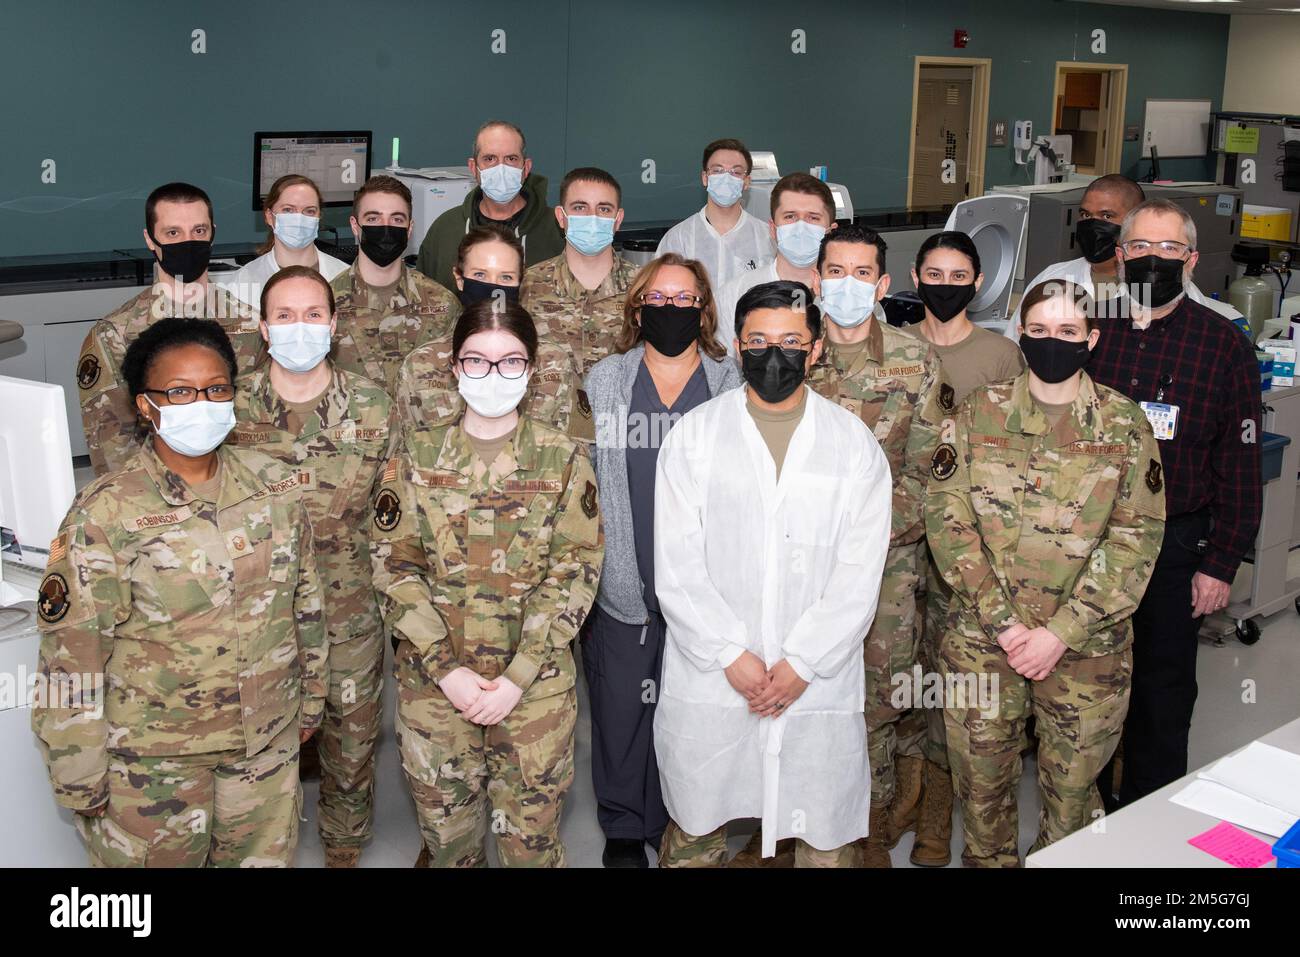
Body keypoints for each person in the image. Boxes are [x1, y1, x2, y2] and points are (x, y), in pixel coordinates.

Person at [32, 317, 326, 867]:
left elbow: (304, 602)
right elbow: (71, 656)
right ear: (146, 407)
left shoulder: (273, 486)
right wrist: (78, 772)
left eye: (216, 389)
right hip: (152, 762)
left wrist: (311, 700)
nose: (203, 403)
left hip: (262, 748)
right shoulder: (106, 512)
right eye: (181, 392)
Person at [926, 279, 1166, 866]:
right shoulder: (978, 412)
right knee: (980, 797)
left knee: (1073, 804)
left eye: (1067, 332)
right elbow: (947, 519)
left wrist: (1061, 632)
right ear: (1021, 335)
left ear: (1091, 338)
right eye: (1038, 331)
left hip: (1087, 653)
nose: (1052, 342)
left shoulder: (1122, 424)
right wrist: (1008, 626)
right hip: (984, 643)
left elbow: (1137, 537)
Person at [653, 280, 892, 868]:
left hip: (814, 677)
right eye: (758, 341)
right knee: (698, 821)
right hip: (715, 671)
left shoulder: (853, 445)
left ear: (815, 351)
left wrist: (803, 662)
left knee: (822, 825)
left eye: (791, 341)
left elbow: (860, 571)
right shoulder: (694, 437)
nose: (774, 355)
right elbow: (676, 564)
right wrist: (729, 653)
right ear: (737, 347)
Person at [370, 299, 604, 867]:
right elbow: (394, 567)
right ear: (454, 368)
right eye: (476, 361)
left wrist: (519, 676)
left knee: (532, 845)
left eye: (509, 362)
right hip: (436, 691)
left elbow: (575, 568)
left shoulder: (563, 459)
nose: (492, 376)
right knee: (449, 844)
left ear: (531, 368)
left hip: (535, 693)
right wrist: (447, 671)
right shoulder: (414, 457)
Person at [1089, 199, 1263, 807]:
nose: (1153, 259)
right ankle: (1083, 810)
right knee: (1085, 680)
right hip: (1085, 542)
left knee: (1162, 689)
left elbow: (1240, 467)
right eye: (1140, 247)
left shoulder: (1224, 345)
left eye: (1168, 249)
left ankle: (1146, 813)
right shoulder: (1089, 331)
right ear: (1119, 257)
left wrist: (1220, 565)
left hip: (1174, 544)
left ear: (1190, 260)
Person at [230, 267, 395, 868]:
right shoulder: (231, 407)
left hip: (349, 609)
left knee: (350, 745)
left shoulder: (374, 404)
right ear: (263, 328)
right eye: (284, 316)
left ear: (334, 322)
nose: (300, 328)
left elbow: (394, 514)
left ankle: (343, 851)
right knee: (259, 744)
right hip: (259, 617)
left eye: (312, 315)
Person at [583, 253, 742, 868]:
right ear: (637, 307)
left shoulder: (731, 382)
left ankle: (684, 819)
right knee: (622, 707)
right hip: (626, 576)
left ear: (703, 310)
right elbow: (588, 483)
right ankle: (625, 826)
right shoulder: (608, 381)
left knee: (693, 711)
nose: (670, 310)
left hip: (708, 582)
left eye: (684, 300)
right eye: (659, 298)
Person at [803, 224, 948, 868]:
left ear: (883, 286)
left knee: (877, 704)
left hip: (887, 566)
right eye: (836, 271)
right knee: (803, 699)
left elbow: (927, 476)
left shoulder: (916, 361)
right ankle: (800, 830)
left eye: (863, 274)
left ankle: (870, 832)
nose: (848, 285)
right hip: (801, 566)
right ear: (816, 279)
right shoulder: (793, 355)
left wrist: (859, 542)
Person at [900, 229, 1025, 864]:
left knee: (955, 686)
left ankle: (938, 818)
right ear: (914, 277)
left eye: (957, 277)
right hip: (896, 541)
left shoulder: (1001, 357)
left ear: (977, 284)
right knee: (901, 677)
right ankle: (904, 800)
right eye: (933, 274)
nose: (944, 286)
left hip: (970, 546)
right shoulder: (894, 348)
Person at [78, 182, 265, 476]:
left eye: (198, 231)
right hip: (157, 501)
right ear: (150, 240)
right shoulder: (115, 334)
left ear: (212, 233)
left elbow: (261, 424)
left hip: (239, 490)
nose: (188, 242)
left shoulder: (251, 324)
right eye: (173, 233)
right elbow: (113, 449)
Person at [397, 225, 588, 442]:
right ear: (459, 278)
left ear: (520, 282)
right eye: (480, 274)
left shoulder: (554, 361)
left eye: (506, 278)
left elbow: (578, 450)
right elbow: (407, 453)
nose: (492, 287)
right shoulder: (422, 364)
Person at [1002, 175, 1241, 338]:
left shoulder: (1167, 286)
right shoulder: (1054, 278)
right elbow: (1017, 343)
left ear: (1133, 222)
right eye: (1085, 215)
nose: (1092, 224)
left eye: (1106, 216)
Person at [330, 174, 461, 395]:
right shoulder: (325, 303)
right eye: (373, 219)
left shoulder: (443, 305)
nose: (386, 227)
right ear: (355, 225)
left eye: (397, 219)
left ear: (410, 228)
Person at [416, 120, 564, 291]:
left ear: (526, 167)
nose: (501, 168)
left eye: (511, 158)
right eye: (490, 159)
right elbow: (425, 300)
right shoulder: (445, 229)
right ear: (473, 167)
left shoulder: (557, 230)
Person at [520, 167, 636, 380]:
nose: (592, 218)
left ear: (618, 219)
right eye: (580, 207)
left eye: (604, 209)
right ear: (561, 217)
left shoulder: (644, 286)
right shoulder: (530, 283)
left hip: (622, 413)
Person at [713, 173, 836, 355]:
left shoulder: (853, 296)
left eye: (813, 218)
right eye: (790, 216)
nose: (800, 226)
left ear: (830, 232)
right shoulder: (733, 295)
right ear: (772, 229)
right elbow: (725, 371)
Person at [655, 138, 773, 293]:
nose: (726, 178)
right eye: (717, 171)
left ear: (746, 182)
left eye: (736, 172)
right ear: (705, 178)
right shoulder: (678, 239)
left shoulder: (767, 238)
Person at [219, 174, 348, 309]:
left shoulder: (344, 277)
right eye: (288, 210)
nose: (299, 218)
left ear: (318, 217)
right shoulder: (241, 283)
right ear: (269, 216)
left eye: (309, 211)